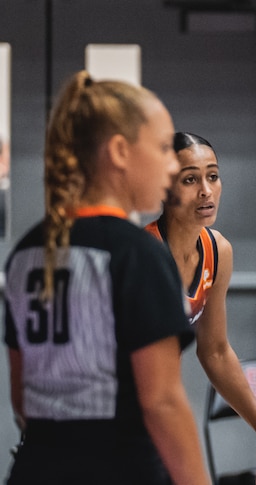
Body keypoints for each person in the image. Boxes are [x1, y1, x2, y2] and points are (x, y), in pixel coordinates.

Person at [3, 70, 209, 484]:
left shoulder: (26, 251)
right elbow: (162, 402)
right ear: (120, 151)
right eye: (163, 149)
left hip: (35, 470)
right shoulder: (138, 254)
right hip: (121, 469)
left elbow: (22, 398)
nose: (172, 165)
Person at [144, 132, 256, 484]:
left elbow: (216, 352)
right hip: (120, 418)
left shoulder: (217, 250)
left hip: (157, 414)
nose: (206, 190)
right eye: (190, 179)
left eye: (213, 175)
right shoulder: (143, 254)